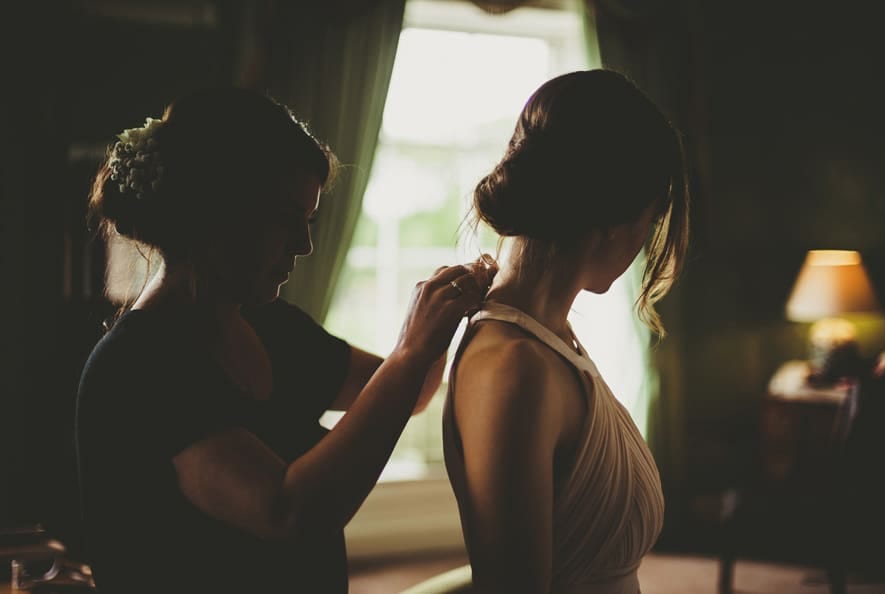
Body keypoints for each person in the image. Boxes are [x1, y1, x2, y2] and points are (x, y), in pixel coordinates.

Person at [75, 87, 496, 594]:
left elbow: (413, 392)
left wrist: (438, 321)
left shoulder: (272, 327)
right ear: (213, 211)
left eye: (309, 220)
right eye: (283, 217)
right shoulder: (137, 366)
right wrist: (410, 349)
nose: (305, 244)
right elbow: (287, 511)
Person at [443, 69, 689, 594]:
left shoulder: (547, 339)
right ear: (612, 221)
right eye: (650, 220)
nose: (645, 243)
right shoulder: (515, 368)